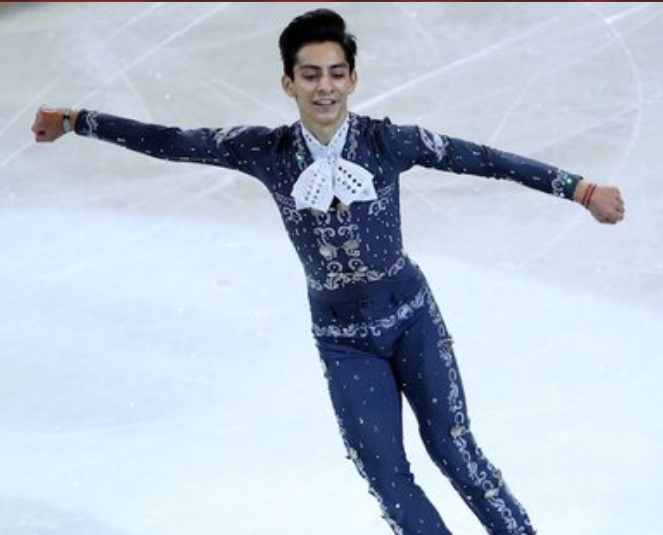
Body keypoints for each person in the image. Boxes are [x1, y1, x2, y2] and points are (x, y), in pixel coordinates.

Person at [31, 8, 624, 535]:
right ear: (288, 83)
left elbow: (485, 160)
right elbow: (172, 142)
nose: (325, 87)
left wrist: (579, 188)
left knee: (455, 451)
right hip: (344, 343)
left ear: (353, 80)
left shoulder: (389, 142)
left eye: (336, 73)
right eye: (311, 74)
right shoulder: (262, 150)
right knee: (389, 481)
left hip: (413, 319)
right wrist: (79, 119)